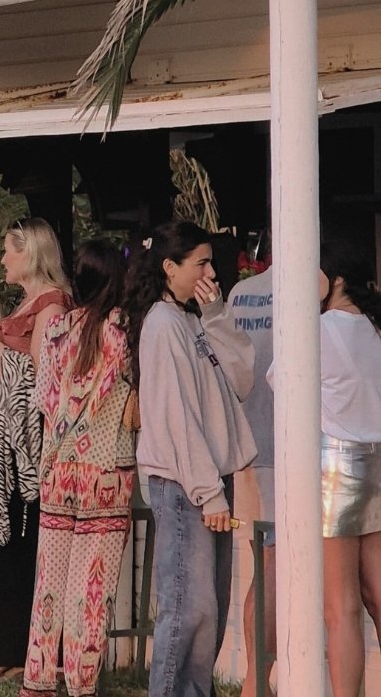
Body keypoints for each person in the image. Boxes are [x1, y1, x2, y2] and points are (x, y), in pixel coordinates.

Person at [129, 220, 255, 697]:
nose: (210, 270)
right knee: (188, 607)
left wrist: (216, 313)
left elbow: (242, 377)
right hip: (185, 484)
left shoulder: (191, 319)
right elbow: (177, 416)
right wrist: (209, 494)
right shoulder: (162, 325)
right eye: (200, 262)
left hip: (207, 479)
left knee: (209, 610)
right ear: (169, 267)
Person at [0, 217, 72, 680]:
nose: (1, 259)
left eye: (7, 250)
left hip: (27, 444)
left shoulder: (52, 308)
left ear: (30, 254)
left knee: (21, 541)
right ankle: (3, 645)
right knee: (1, 538)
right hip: (7, 438)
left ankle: (20, 648)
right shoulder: (29, 304)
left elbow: (45, 377)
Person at [20, 239, 135, 697]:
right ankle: (81, 687)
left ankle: (39, 682)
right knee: (90, 591)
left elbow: (44, 398)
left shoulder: (54, 330)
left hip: (58, 471)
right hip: (104, 474)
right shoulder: (121, 330)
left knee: (49, 585)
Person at [311, 238, 381, 697]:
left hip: (335, 467)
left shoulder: (319, 331)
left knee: (340, 608)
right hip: (377, 463)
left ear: (334, 278)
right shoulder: (373, 330)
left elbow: (282, 382)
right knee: (376, 594)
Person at [228, 261, 276, 690]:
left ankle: (254, 678)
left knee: (265, 563)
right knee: (275, 566)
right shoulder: (310, 289)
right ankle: (255, 681)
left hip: (248, 439)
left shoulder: (241, 293)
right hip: (287, 447)